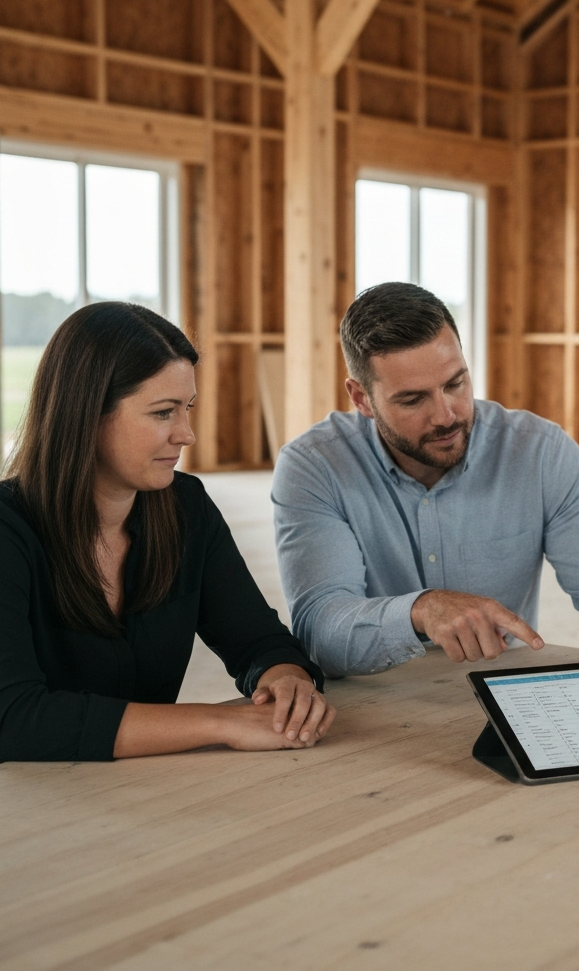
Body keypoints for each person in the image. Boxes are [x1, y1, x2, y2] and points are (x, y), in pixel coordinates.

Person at [272, 282, 579, 677]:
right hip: (370, 702)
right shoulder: (315, 466)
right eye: (413, 400)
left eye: (455, 384)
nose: (446, 415)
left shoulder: (539, 451)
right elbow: (321, 632)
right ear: (361, 399)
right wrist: (421, 610)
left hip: (500, 689)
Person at [0, 302, 336, 762]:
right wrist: (221, 722)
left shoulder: (186, 507)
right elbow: (13, 718)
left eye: (188, 408)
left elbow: (258, 641)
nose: (186, 434)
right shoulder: (8, 529)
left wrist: (287, 679)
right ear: (86, 415)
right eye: (163, 412)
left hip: (144, 797)